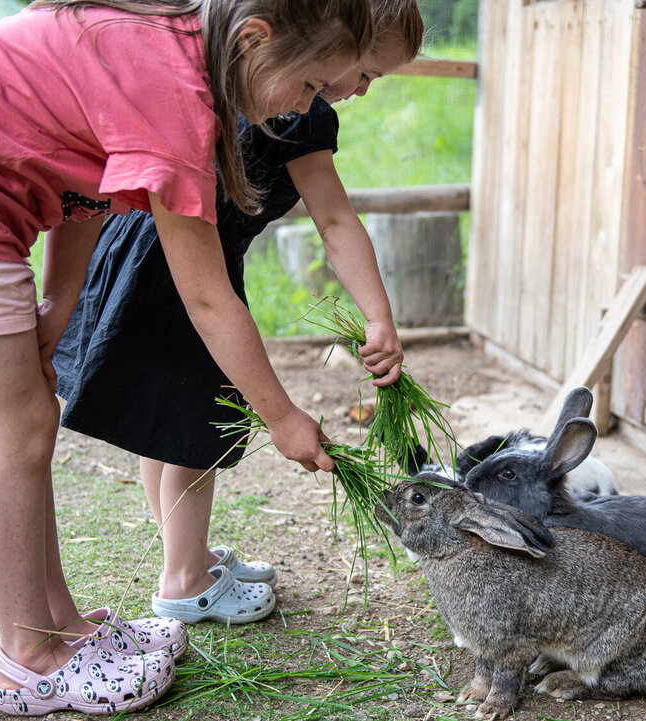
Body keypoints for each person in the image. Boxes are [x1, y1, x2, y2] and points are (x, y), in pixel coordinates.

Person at [0, 0, 373, 714]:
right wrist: (281, 415)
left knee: (30, 420)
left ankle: (55, 628)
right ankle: (29, 660)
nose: (308, 104)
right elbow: (208, 297)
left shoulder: (177, 52)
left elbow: (81, 185)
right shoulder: (178, 95)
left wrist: (57, 308)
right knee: (15, 434)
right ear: (254, 40)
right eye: (309, 85)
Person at [53, 0, 421, 626]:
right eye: (365, 73)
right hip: (189, 274)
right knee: (199, 431)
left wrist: (379, 314)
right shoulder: (302, 114)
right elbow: (334, 221)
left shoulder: (247, 78)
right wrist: (377, 316)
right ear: (336, 43)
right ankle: (185, 581)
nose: (359, 90)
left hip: (139, 251)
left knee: (164, 423)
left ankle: (183, 552)